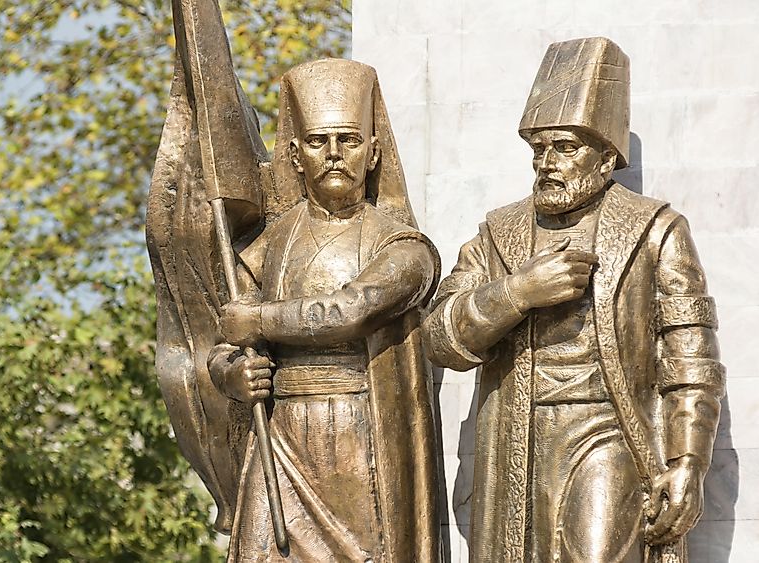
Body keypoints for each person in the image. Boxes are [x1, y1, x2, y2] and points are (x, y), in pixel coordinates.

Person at [422, 37, 725, 563]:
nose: (547, 163)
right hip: (515, 436)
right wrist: (516, 293)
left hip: (608, 433)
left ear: (606, 156)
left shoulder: (656, 230)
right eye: (539, 149)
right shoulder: (500, 233)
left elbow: (692, 359)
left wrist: (689, 461)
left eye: (565, 147)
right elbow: (440, 337)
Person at [208, 59, 441, 562]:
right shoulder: (266, 247)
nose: (334, 155)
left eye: (349, 140)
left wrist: (262, 320)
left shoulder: (404, 247)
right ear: (294, 154)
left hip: (360, 436)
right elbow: (225, 344)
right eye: (318, 141)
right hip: (281, 436)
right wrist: (233, 374)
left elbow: (349, 311)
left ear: (373, 152)